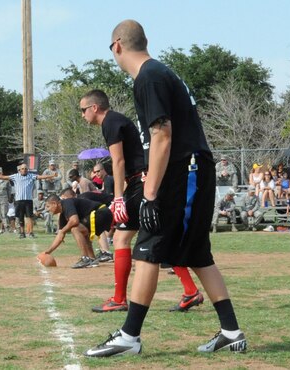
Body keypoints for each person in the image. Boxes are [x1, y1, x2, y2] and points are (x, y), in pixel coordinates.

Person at [86, 20, 245, 357]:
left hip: (182, 170)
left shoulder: (149, 77)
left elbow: (162, 135)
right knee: (198, 254)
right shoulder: (158, 73)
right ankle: (232, 332)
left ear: (117, 45)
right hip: (191, 168)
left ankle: (129, 336)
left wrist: (150, 193)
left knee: (148, 248)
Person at [80, 89, 204, 314]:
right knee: (160, 238)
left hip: (141, 183)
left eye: (83, 110)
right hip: (139, 182)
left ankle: (119, 299)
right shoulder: (114, 120)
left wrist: (118, 198)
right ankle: (190, 290)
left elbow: (118, 161)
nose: (82, 115)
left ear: (94, 108)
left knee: (122, 238)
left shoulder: (110, 122)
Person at [41, 194, 111, 269]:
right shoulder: (63, 216)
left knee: (75, 229)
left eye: (48, 206)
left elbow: (74, 221)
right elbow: (60, 236)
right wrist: (48, 251)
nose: (47, 209)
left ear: (54, 203)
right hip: (101, 214)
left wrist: (63, 231)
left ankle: (85, 258)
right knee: (83, 233)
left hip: (102, 212)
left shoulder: (67, 203)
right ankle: (91, 259)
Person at [0, 164, 56, 239]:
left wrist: (51, 176)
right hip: (19, 200)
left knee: (29, 217)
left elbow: (41, 177)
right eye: (22, 169)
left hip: (28, 200)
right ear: (19, 170)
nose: (24, 170)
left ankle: (31, 233)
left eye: (25, 169)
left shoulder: (31, 176)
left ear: (27, 170)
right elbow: (3, 177)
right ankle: (22, 233)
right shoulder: (15, 176)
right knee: (20, 217)